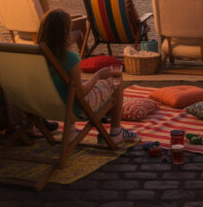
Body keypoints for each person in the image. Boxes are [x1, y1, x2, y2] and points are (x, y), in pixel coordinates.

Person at [37, 9, 140, 146]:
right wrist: (97, 76)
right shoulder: (70, 58)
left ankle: (71, 132)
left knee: (66, 86)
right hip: (75, 110)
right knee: (116, 79)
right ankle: (116, 133)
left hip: (45, 107)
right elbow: (80, 94)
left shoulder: (36, 56)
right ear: (65, 33)